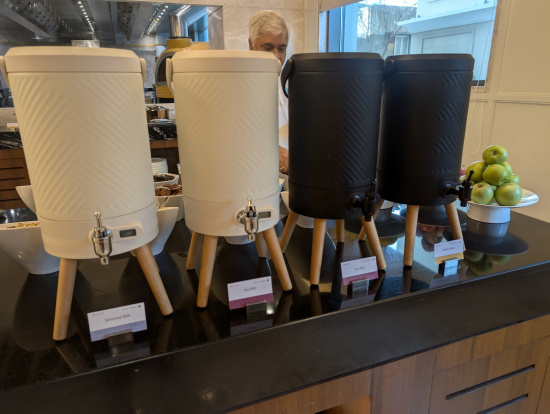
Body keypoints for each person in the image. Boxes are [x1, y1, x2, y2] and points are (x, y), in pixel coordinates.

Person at [248, 10, 290, 175]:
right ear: (251, 44)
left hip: (284, 182)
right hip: (255, 180)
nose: (276, 56)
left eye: (281, 48)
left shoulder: (283, 83)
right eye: (268, 48)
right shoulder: (238, 85)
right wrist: (275, 150)